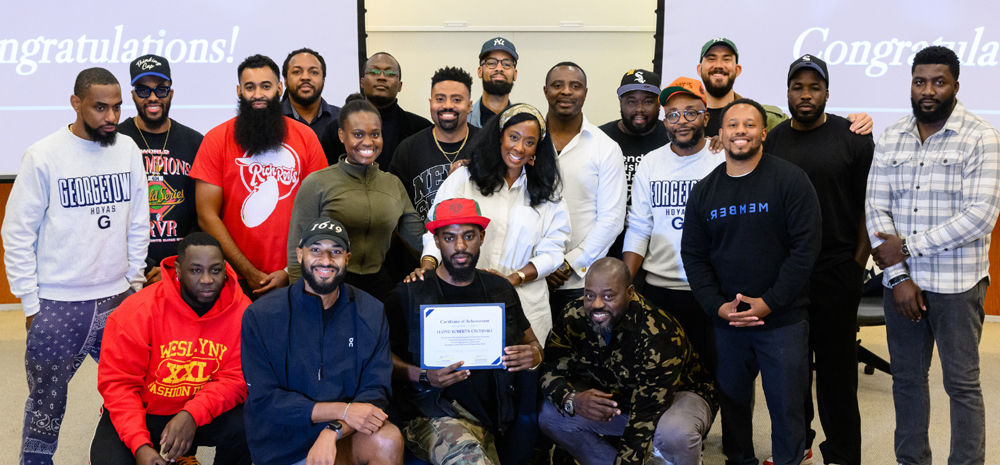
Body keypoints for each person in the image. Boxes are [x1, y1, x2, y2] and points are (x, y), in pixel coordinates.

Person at [3, 67, 149, 465]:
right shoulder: (43, 155)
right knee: (46, 408)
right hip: (56, 303)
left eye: (117, 107)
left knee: (136, 392)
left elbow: (138, 221)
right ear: (76, 103)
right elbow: (16, 233)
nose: (111, 117)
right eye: (100, 107)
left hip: (119, 299)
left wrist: (134, 283)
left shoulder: (128, 151)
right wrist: (30, 303)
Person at [866, 45, 1000, 465]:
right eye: (920, 81)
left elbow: (980, 216)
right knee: (907, 382)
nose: (928, 90)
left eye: (939, 82)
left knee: (961, 385)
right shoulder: (891, 136)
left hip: (958, 285)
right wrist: (900, 277)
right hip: (900, 285)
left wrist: (907, 246)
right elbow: (875, 208)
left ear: (956, 86)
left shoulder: (981, 137)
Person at [681, 99, 821, 465]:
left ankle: (789, 459)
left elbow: (805, 250)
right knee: (734, 403)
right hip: (727, 320)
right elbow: (694, 256)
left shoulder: (790, 180)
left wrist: (769, 301)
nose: (740, 131)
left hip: (782, 318)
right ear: (721, 133)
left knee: (787, 405)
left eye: (749, 124)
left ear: (763, 132)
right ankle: (739, 459)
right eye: (732, 125)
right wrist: (718, 306)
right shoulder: (704, 191)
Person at [763, 55, 874, 465]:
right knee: (790, 371)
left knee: (836, 375)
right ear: (788, 92)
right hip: (787, 275)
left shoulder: (853, 137)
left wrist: (857, 266)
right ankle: (797, 445)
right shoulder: (773, 142)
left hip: (836, 272)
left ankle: (843, 454)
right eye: (798, 87)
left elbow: (870, 207)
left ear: (827, 91)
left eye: (814, 87)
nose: (805, 95)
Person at [387, 198, 544, 465]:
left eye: (468, 236)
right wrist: (424, 375)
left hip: (492, 418)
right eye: (449, 237)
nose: (460, 246)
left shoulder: (500, 289)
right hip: (431, 414)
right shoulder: (409, 293)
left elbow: (534, 345)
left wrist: (534, 356)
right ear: (436, 241)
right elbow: (380, 360)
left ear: (481, 237)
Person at [242, 217, 403, 465]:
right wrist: (343, 410)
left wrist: (334, 429)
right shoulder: (261, 315)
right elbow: (265, 399)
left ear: (347, 258)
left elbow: (376, 390)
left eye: (335, 252)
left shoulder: (370, 311)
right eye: (316, 250)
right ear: (299, 254)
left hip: (343, 436)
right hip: (282, 446)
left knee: (388, 439)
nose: (326, 260)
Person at [412, 103, 571, 341]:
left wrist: (510, 280)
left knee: (521, 371)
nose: (519, 148)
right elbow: (437, 228)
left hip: (524, 303)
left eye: (529, 142)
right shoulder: (465, 179)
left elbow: (554, 250)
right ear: (499, 138)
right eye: (513, 137)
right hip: (464, 295)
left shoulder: (548, 193)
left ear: (537, 148)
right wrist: (427, 268)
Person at [91, 232, 252, 465]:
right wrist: (139, 446)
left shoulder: (243, 313)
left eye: (215, 270)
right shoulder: (136, 312)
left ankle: (184, 453)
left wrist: (191, 414)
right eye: (196, 270)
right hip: (145, 411)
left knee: (250, 422)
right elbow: (119, 385)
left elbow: (237, 378)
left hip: (199, 412)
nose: (207, 279)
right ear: (177, 269)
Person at [538, 257, 718, 465]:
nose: (596, 304)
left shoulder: (658, 333)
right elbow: (551, 369)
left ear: (630, 292)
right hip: (620, 400)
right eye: (589, 295)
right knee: (550, 416)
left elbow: (645, 415)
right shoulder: (573, 315)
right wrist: (572, 399)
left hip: (675, 399)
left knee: (674, 433)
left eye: (608, 296)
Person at [190, 54, 327, 300]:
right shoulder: (216, 139)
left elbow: (320, 209)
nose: (258, 95)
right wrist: (248, 271)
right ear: (239, 91)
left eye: (266, 86)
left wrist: (288, 270)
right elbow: (206, 216)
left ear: (279, 88)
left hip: (295, 276)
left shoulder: (306, 138)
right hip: (233, 278)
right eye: (249, 87)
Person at [623, 76, 722, 374]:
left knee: (714, 374)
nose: (682, 121)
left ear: (706, 116)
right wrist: (624, 280)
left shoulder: (723, 160)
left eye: (691, 112)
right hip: (661, 289)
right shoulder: (651, 163)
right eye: (674, 115)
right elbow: (640, 227)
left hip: (711, 289)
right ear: (665, 121)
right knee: (661, 372)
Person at [287, 94, 425, 302]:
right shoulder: (317, 183)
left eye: (375, 134)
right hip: (328, 285)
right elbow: (297, 249)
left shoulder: (393, 184)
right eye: (358, 134)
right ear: (342, 135)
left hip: (378, 286)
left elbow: (419, 237)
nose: (368, 142)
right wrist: (301, 299)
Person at [543, 62, 627, 318]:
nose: (566, 91)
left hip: (581, 284)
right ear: (545, 91)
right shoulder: (527, 141)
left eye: (575, 86)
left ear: (585, 93)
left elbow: (611, 220)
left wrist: (569, 263)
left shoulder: (605, 148)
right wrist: (539, 266)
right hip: (529, 277)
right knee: (530, 356)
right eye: (558, 85)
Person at [117, 54, 204, 286]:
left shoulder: (195, 142)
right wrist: (142, 263)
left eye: (161, 89)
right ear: (133, 94)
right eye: (144, 90)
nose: (153, 97)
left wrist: (178, 263)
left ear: (171, 93)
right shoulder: (115, 141)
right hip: (127, 270)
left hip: (182, 270)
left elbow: (203, 215)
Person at [695, 37, 872, 138]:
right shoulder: (686, 119)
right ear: (699, 69)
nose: (719, 65)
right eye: (711, 59)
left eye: (726, 59)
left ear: (737, 69)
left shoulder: (768, 119)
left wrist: (853, 122)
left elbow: (804, 133)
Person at [390, 66, 480, 221]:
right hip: (422, 243)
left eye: (457, 99)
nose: (447, 105)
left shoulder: (486, 145)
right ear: (430, 103)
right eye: (440, 99)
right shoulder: (408, 150)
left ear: (469, 105)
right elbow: (396, 211)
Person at [599, 69, 671, 259]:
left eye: (647, 101)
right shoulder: (600, 138)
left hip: (660, 248)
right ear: (620, 103)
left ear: (659, 105)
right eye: (631, 101)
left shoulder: (673, 137)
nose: (639, 108)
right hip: (607, 246)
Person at [319, 52, 432, 167]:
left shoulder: (421, 129)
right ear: (362, 82)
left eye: (390, 73)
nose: (381, 77)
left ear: (400, 85)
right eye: (374, 72)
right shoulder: (335, 129)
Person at [281, 48, 341, 139]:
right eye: (297, 72)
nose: (305, 77)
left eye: (314, 72)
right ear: (285, 81)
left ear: (323, 80)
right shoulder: (271, 120)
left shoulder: (342, 118)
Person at [468, 37, 517, 128]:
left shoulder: (523, 123)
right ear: (480, 71)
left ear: (515, 74)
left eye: (506, 64)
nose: (499, 68)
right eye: (491, 63)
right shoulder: (463, 119)